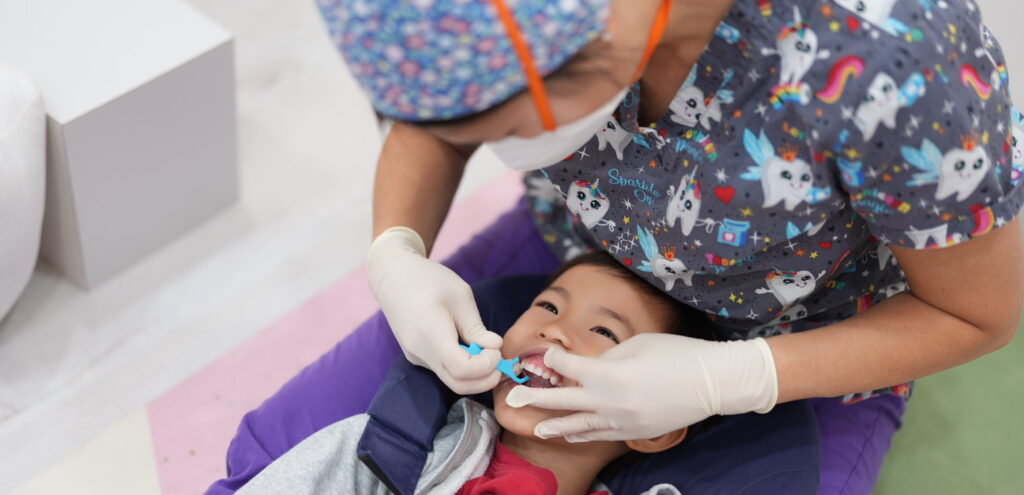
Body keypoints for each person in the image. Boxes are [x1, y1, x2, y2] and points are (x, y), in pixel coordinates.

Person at [212, 1, 1024, 493]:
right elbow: (438, 110)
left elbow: (977, 312)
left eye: (502, 126)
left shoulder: (898, 61)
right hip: (578, 243)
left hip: (811, 341)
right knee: (275, 455)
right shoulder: (489, 54)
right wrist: (396, 248)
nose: (481, 143)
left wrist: (732, 375)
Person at [233, 252, 817, 494]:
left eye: (605, 333)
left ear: (655, 425)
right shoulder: (399, 449)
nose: (556, 331)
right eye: (548, 307)